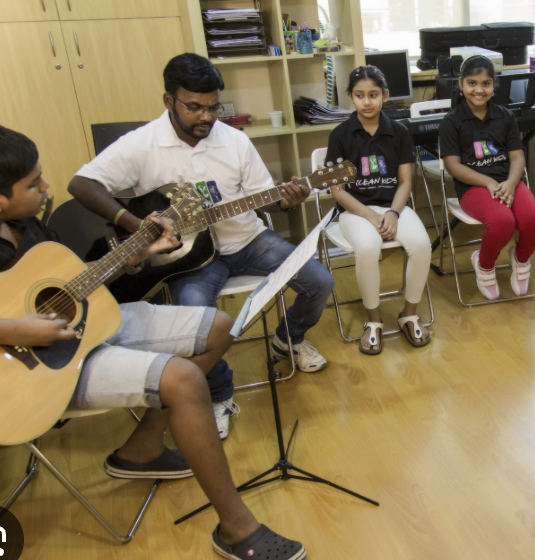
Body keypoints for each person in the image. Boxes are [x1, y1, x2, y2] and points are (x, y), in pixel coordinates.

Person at [0, 126, 306, 560]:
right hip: (31, 370)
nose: (47, 186)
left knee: (219, 327)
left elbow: (70, 282)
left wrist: (136, 254)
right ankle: (237, 528)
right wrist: (18, 331)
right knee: (182, 380)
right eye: (33, 184)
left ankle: (142, 448)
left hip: (86, 323)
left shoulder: (26, 224)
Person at [68, 53, 335, 439]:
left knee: (320, 282)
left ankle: (289, 338)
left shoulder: (235, 141)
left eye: (213, 108)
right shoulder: (142, 144)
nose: (206, 117)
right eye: (194, 107)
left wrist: (288, 200)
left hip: (247, 239)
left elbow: (267, 199)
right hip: (188, 258)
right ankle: (219, 394)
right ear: (169, 101)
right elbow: (81, 184)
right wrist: (136, 224)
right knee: (195, 321)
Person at [324, 66, 432, 354]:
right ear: (350, 97)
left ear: (385, 95)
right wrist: (372, 216)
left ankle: (409, 314)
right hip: (355, 211)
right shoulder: (339, 135)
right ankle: (373, 321)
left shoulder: (399, 131)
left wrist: (393, 213)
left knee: (422, 244)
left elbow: (405, 182)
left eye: (373, 95)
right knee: (368, 247)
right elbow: (337, 191)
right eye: (359, 95)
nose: (367, 101)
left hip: (393, 206)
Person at [439, 55, 535, 300]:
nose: (479, 89)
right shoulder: (451, 122)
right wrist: (488, 182)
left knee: (534, 219)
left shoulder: (505, 116)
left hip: (508, 182)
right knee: (502, 222)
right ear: (461, 84)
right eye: (472, 83)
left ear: (494, 86)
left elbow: (517, 157)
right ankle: (484, 264)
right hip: (473, 186)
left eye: (485, 83)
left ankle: (520, 258)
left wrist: (511, 183)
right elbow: (453, 166)